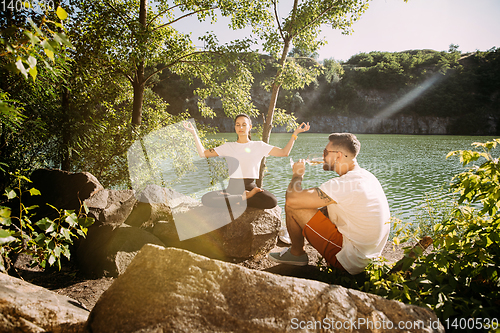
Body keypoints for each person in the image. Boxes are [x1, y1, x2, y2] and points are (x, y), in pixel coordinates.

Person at [268, 133, 390, 275]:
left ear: (338, 155)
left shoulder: (344, 184)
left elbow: (292, 199)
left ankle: (296, 254)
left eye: (325, 152)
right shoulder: (365, 176)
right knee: (317, 205)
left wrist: (297, 175)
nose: (322, 156)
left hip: (351, 261)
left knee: (294, 206)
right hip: (367, 256)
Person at [183, 114, 310, 210]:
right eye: (237, 124)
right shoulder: (228, 146)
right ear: (235, 127)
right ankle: (243, 198)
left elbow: (284, 152)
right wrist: (194, 133)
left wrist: (295, 134)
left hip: (251, 187)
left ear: (250, 127)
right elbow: (203, 153)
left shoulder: (259, 145)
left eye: (244, 124)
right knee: (206, 198)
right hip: (232, 188)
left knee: (272, 201)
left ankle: (237, 200)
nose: (241, 127)